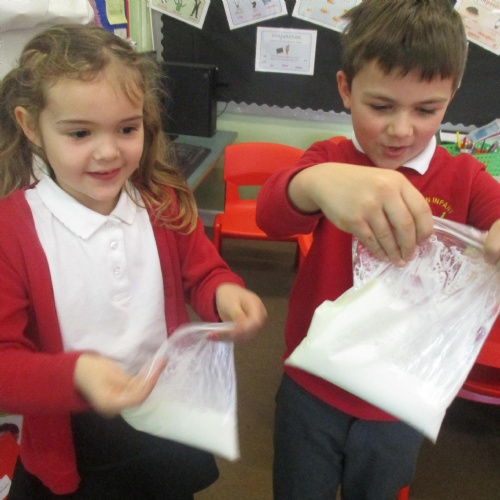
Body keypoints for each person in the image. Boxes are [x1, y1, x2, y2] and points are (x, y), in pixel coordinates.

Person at [0, 23, 267, 499]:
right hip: (75, 436)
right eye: (80, 133)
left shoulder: (161, 203)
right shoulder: (12, 230)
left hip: (164, 412)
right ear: (31, 126)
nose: (108, 152)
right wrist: (76, 374)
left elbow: (203, 272)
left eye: (127, 128)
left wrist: (225, 293)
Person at [256, 0, 500, 498]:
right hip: (312, 383)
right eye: (381, 106)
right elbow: (271, 216)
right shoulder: (330, 159)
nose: (401, 130)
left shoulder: (464, 177)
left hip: (397, 398)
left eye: (426, 110)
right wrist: (316, 183)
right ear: (346, 89)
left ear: (451, 96)